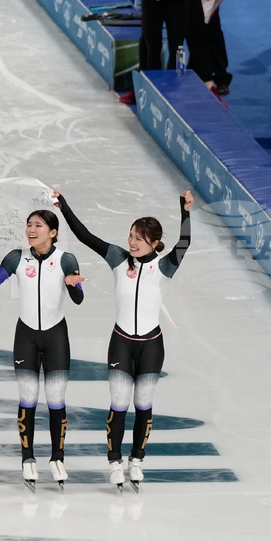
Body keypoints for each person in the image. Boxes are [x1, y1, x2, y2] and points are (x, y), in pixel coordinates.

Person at [53, 189, 193, 491]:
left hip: (151, 345)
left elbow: (184, 242)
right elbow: (85, 236)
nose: (132, 242)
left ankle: (137, 459)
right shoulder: (118, 258)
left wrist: (185, 212)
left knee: (143, 403)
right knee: (118, 403)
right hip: (121, 343)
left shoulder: (165, 266)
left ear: (154, 243)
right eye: (130, 235)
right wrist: (63, 205)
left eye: (139, 239)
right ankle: (115, 461)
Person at [0, 211, 85, 489]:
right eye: (29, 224)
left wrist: (72, 285)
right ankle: (27, 457)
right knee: (28, 398)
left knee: (56, 399)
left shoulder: (66, 260)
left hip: (56, 336)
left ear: (53, 232)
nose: (31, 229)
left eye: (38, 225)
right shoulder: (16, 258)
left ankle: (57, 458)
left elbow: (78, 299)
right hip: (26, 336)